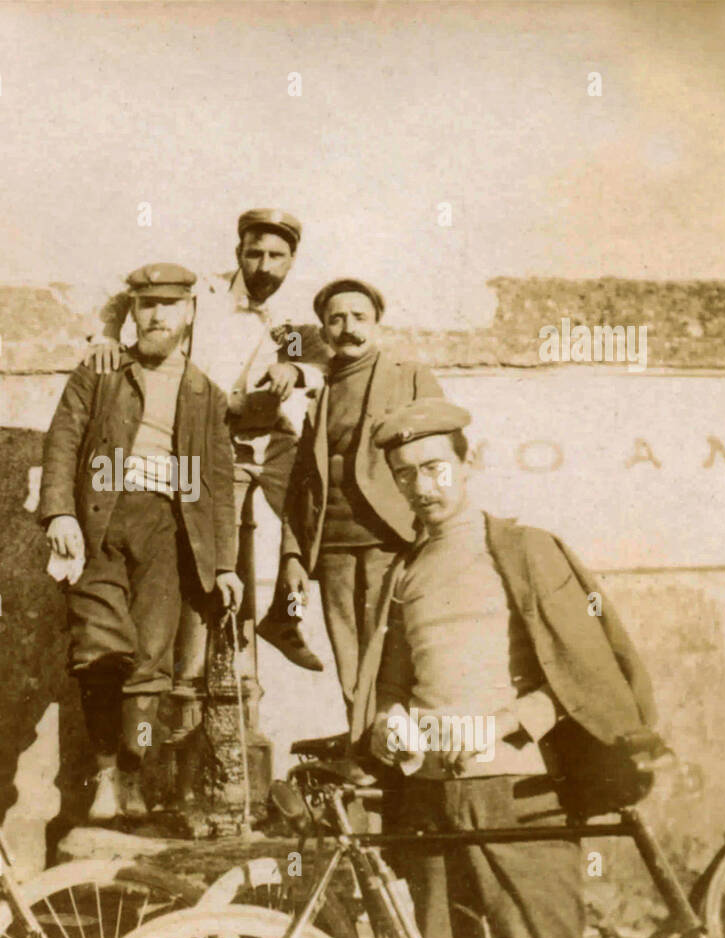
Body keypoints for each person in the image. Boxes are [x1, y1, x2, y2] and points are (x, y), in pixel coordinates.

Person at [361, 399, 658, 938]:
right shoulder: (403, 572)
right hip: (427, 796)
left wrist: (497, 726)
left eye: (434, 467)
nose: (421, 485)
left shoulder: (528, 551)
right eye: (405, 474)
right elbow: (393, 684)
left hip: (521, 793)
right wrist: (389, 721)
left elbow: (587, 675)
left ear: (467, 463)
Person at [85, 209, 330, 676]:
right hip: (214, 436)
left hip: (270, 438)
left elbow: (316, 357)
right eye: (254, 253)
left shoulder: (291, 315)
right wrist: (107, 336)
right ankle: (194, 670)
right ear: (238, 253)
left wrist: (292, 368)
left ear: (292, 260)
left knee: (311, 506)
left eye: (277, 256)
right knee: (214, 544)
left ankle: (286, 614)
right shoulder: (206, 296)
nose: (264, 266)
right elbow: (127, 297)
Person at [40, 263, 242, 820]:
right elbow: (62, 443)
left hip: (169, 530)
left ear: (189, 313)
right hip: (100, 523)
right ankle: (105, 777)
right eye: (146, 304)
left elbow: (219, 482)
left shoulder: (206, 393)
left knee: (151, 665)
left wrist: (224, 564)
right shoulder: (101, 373)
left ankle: (133, 775)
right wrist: (59, 513)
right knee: (101, 654)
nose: (155, 315)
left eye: (168, 305)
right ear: (131, 311)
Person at [278, 278, 442, 718]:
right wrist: (293, 554)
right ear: (324, 329)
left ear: (376, 322)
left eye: (358, 318)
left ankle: (398, 755)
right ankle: (366, 751)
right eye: (336, 319)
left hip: (392, 537)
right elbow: (300, 483)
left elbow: (441, 458)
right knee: (349, 658)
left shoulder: (409, 378)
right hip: (331, 545)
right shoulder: (320, 386)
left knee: (391, 651)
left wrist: (437, 533)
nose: (348, 328)